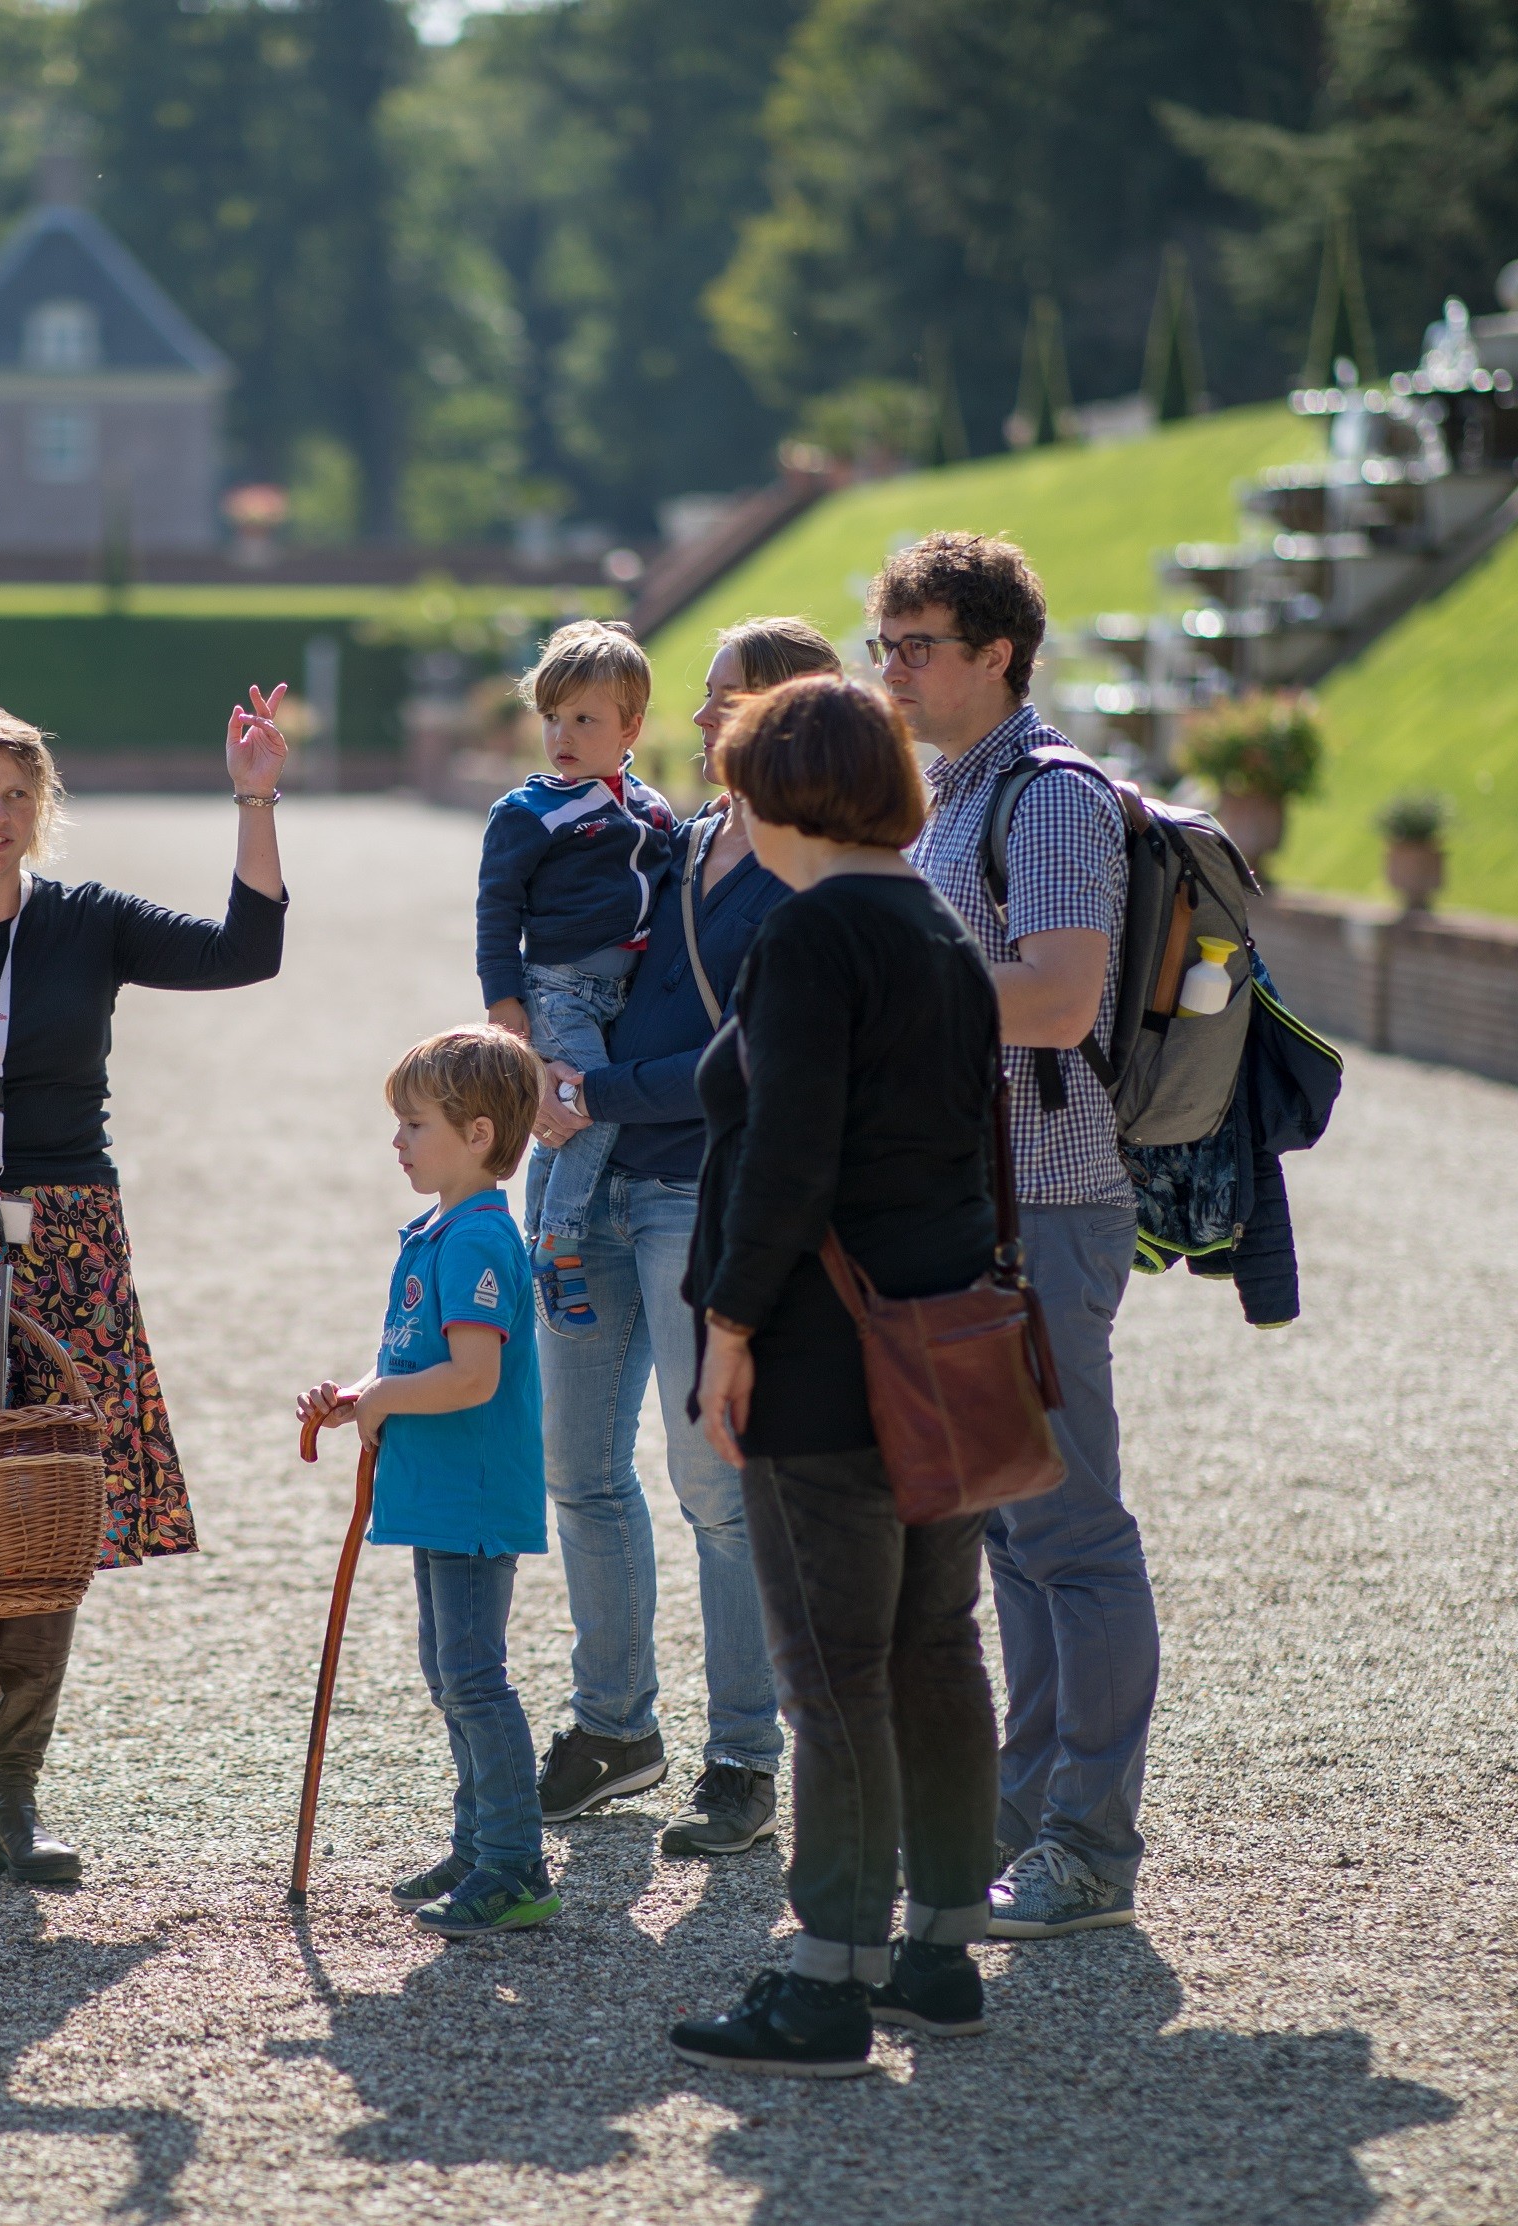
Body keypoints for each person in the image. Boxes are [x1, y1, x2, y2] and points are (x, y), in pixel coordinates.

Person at [0, 688, 291, 1893]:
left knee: (40, 1534)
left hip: (69, 1252)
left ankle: (8, 1803)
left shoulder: (88, 925)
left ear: (43, 807)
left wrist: (254, 797)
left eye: (16, 793)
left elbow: (249, 953)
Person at [664, 673, 1005, 2076]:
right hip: (943, 1336)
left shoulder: (808, 938)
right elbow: (978, 1146)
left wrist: (728, 1333)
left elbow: (786, 1155)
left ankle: (822, 1976)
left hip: (822, 1346)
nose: (727, 804)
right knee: (934, 1648)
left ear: (783, 792)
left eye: (739, 780)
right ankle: (931, 1950)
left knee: (831, 1670)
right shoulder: (937, 927)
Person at [876, 530, 1153, 1940]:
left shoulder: (1044, 803)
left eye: (918, 644)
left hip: (1048, 1194)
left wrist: (891, 995)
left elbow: (1053, 1000)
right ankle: (1025, 1803)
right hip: (981, 1201)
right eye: (886, 645)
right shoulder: (947, 798)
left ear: (997, 652)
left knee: (1069, 1530)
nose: (894, 669)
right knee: (1006, 1529)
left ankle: (1089, 1842)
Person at [523, 616, 836, 1853]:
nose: (702, 722)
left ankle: (744, 1758)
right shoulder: (680, 832)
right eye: (704, 702)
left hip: (697, 1195)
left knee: (714, 1489)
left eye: (729, 702)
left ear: (796, 714)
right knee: (579, 1476)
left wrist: (589, 1091)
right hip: (586, 1191)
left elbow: (741, 1062)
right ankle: (616, 1728)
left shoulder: (813, 870)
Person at [297, 1026, 553, 1936]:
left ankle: (516, 1865)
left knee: (474, 1680)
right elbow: (414, 1363)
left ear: (477, 1135)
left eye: (412, 1125)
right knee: (451, 1676)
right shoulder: (440, 1230)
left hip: (473, 1495)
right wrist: (358, 1397)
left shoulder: (477, 1242)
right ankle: (481, 1841)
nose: (396, 1142)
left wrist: (388, 1399)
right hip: (439, 1491)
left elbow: (472, 1378)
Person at [474, 620, 677, 1333]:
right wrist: (505, 1010)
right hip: (558, 986)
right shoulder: (529, 811)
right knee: (585, 1106)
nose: (561, 734)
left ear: (631, 726)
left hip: (622, 993)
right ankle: (556, 1242)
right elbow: (495, 912)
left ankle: (541, 1233)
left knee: (568, 1115)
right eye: (551, 717)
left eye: (583, 719)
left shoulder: (653, 811)